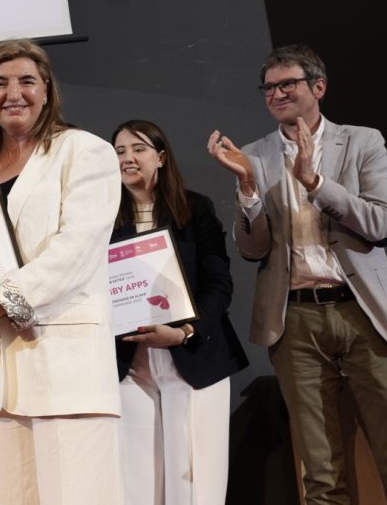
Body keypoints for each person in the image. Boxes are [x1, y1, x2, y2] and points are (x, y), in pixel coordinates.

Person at [206, 44, 387, 505]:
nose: (276, 94)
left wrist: (316, 183)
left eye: (286, 84)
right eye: (268, 87)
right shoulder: (253, 154)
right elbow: (253, 250)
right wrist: (248, 190)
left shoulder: (361, 141)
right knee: (321, 476)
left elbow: (383, 225)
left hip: (366, 316)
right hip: (295, 322)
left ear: (318, 87)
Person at [0, 39, 123, 505]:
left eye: (26, 81)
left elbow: (76, 250)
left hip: (65, 368)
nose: (12, 93)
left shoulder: (84, 151)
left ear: (47, 89)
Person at [110, 119, 248, 505]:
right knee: (137, 487)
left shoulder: (194, 209)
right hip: (130, 367)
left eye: (137, 149)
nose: (127, 158)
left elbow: (219, 283)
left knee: (193, 485)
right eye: (119, 151)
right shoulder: (103, 219)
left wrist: (186, 331)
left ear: (161, 157)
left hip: (192, 358)